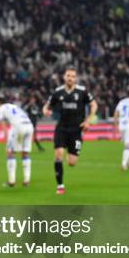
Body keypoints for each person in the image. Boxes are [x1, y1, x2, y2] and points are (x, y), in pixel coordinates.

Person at [42, 67, 97, 195]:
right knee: (58, 155)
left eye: (73, 76)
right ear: (64, 77)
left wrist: (88, 120)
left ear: (76, 78)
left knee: (72, 162)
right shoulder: (58, 92)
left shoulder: (82, 91)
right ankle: (60, 186)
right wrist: (45, 110)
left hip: (76, 130)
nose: (70, 78)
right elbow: (46, 105)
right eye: (68, 76)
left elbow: (94, 104)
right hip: (61, 128)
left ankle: (69, 153)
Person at [0, 97, 33, 187]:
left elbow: (3, 123)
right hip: (29, 126)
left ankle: (11, 181)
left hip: (18, 127)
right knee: (25, 153)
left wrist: (7, 138)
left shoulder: (0, 109)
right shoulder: (14, 106)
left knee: (10, 152)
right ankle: (27, 181)